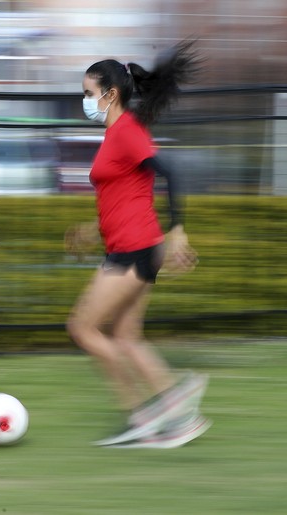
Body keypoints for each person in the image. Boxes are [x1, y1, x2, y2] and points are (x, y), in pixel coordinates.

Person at [65, 41, 209, 448]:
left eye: (89, 94)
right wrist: (93, 229)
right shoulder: (117, 136)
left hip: (133, 251)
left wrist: (178, 230)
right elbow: (123, 194)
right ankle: (180, 420)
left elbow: (171, 171)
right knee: (127, 337)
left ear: (110, 95)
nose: (85, 101)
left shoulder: (126, 132)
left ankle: (144, 415)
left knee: (82, 327)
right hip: (135, 247)